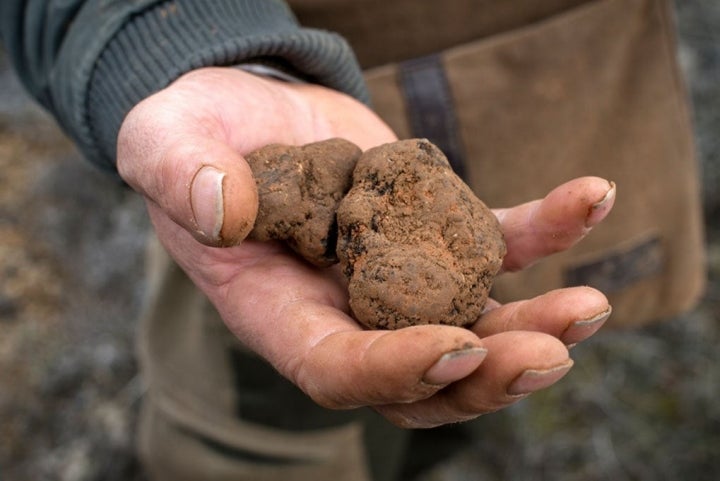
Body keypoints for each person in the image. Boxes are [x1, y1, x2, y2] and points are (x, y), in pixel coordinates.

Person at [0, 0, 705, 480]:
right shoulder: (310, 215)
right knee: (256, 444)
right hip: (264, 212)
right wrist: (166, 34)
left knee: (455, 400)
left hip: (574, 79)